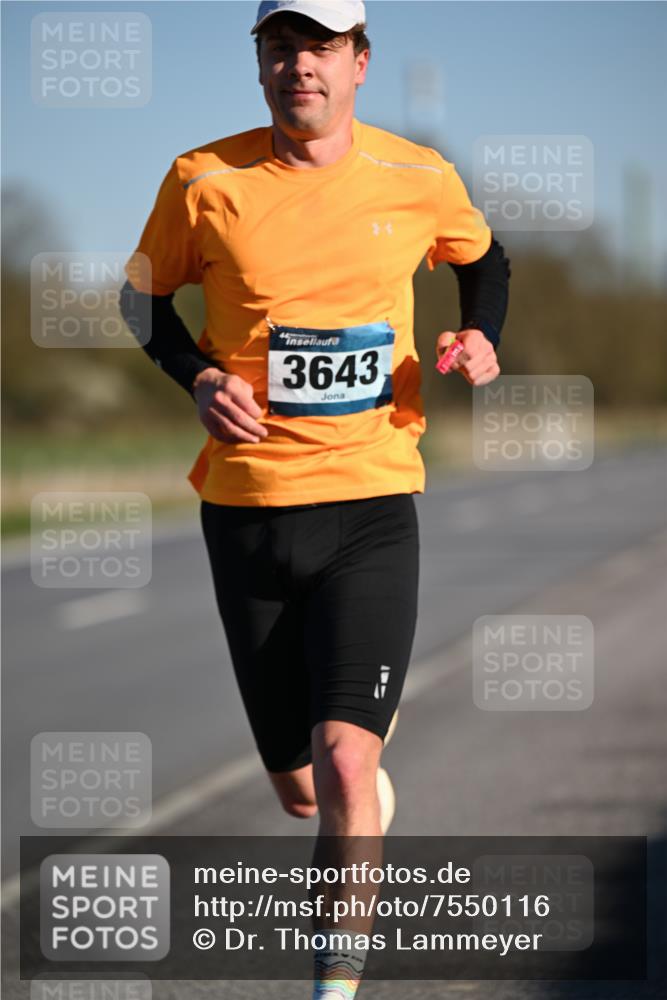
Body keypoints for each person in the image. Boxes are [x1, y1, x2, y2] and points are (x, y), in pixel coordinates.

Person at [120, 1, 510, 995]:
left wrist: (479, 335)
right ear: (260, 66)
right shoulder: (202, 179)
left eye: (321, 48)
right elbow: (141, 295)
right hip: (246, 513)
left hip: (372, 501)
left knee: (343, 766)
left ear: (360, 64)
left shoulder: (418, 176)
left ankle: (334, 984)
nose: (300, 65)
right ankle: (344, 784)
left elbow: (483, 259)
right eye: (279, 48)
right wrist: (201, 379)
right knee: (303, 787)